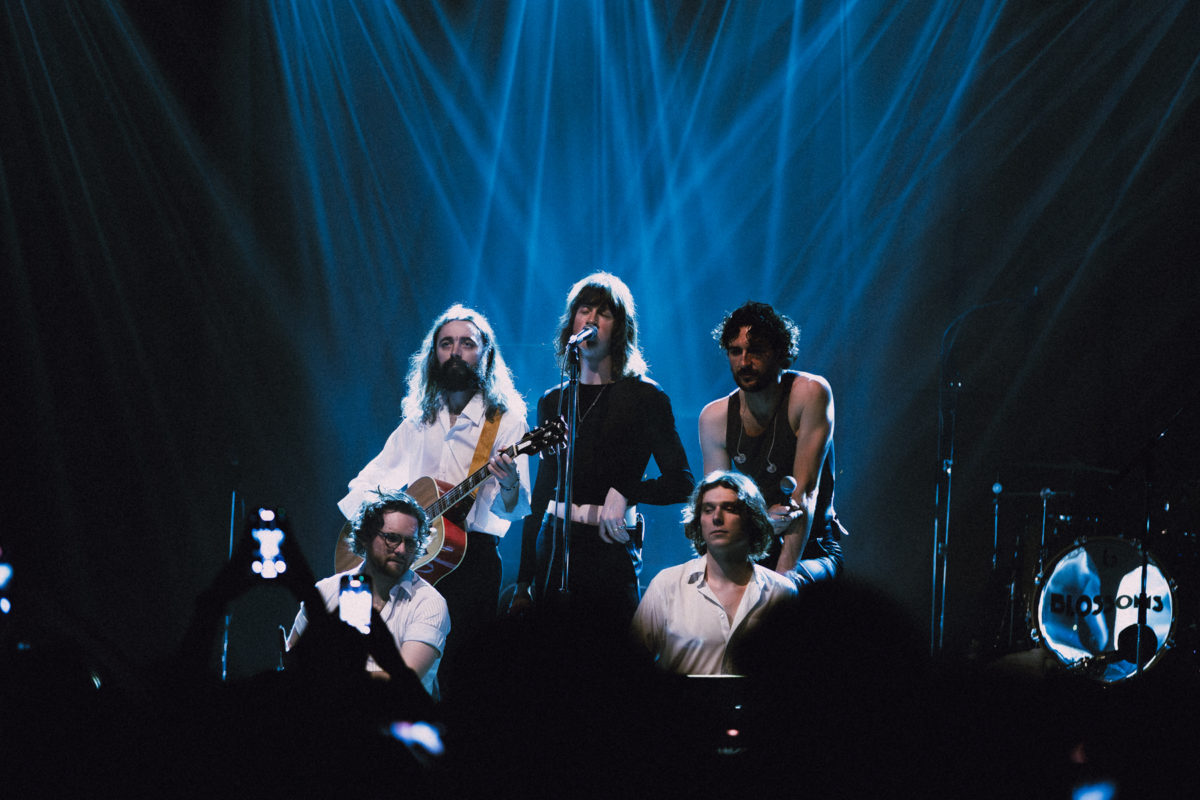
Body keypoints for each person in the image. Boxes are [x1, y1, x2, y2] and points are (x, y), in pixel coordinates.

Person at [338, 304, 531, 697]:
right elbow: (366, 484)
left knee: (462, 677)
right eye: (446, 344)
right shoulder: (419, 421)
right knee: (393, 669)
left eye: (467, 344)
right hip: (411, 560)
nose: (455, 352)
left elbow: (513, 509)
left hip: (472, 561)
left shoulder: (506, 422)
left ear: (485, 354)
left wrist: (509, 482)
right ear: (433, 354)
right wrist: (372, 534)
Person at [510, 272, 693, 630]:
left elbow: (682, 482)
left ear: (620, 327)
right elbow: (543, 490)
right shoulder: (554, 400)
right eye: (584, 310)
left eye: (604, 313)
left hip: (611, 548)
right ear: (572, 323)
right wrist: (523, 582)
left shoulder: (646, 397)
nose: (591, 320)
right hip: (555, 542)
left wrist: (626, 492)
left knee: (611, 652)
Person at [698, 301, 844, 583]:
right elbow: (717, 506)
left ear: (780, 353)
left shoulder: (810, 393)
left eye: (755, 351)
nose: (744, 362)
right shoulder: (714, 417)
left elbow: (806, 493)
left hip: (815, 549)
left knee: (789, 586)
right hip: (757, 543)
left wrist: (782, 581)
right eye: (735, 351)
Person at [288, 490, 450, 697]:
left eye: (410, 542)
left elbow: (402, 681)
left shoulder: (429, 602)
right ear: (365, 536)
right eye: (392, 538)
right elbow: (291, 658)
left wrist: (326, 676)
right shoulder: (325, 591)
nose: (401, 550)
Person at [631, 471, 797, 675]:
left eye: (729, 509)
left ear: (751, 519)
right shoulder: (666, 585)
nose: (717, 518)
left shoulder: (781, 592)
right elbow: (631, 667)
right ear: (699, 521)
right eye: (708, 510)